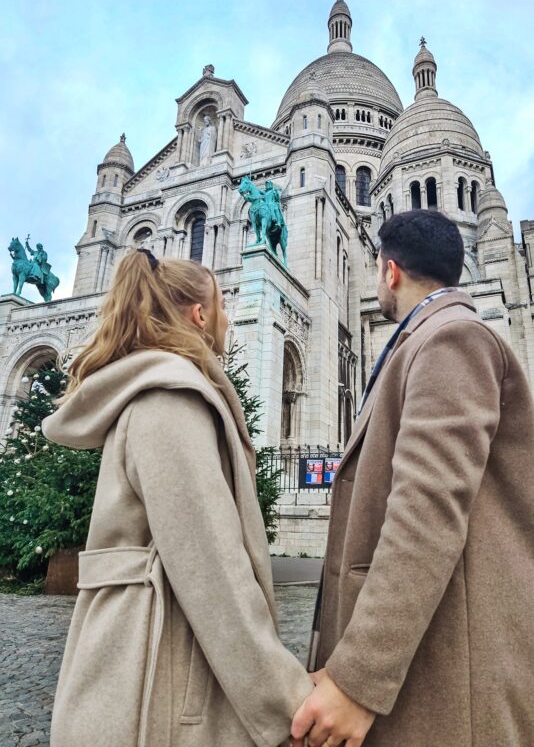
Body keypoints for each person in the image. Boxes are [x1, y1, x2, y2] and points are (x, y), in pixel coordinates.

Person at [43, 248, 313, 747]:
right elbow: (212, 566)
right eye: (223, 305)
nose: (230, 318)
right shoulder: (171, 399)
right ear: (200, 315)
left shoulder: (166, 391)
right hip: (150, 688)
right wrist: (287, 701)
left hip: (145, 669)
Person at [292, 209, 534, 747]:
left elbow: (427, 513)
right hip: (424, 662)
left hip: (446, 675)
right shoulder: (427, 338)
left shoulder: (453, 338)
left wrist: (358, 681)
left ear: (390, 271)